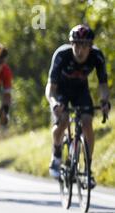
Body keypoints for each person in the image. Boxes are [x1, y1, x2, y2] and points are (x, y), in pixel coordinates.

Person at [46, 24, 110, 187]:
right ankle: (57, 152)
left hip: (81, 91)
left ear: (90, 46)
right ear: (71, 44)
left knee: (87, 123)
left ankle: (88, 170)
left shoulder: (97, 56)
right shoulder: (62, 55)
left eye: (84, 45)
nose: (80, 50)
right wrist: (54, 103)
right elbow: (50, 88)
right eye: (76, 44)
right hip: (60, 91)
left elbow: (103, 84)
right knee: (64, 119)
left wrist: (104, 101)